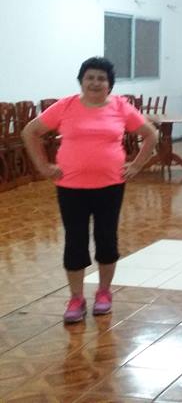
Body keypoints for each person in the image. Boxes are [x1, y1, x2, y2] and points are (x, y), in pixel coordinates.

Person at [21, 57, 158, 323]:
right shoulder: (66, 105)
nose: (95, 83)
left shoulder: (120, 106)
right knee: (75, 241)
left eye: (101, 78)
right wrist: (43, 166)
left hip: (110, 186)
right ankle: (76, 298)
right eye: (90, 77)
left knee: (106, 239)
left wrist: (137, 165)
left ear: (109, 84)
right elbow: (30, 132)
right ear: (81, 81)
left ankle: (104, 293)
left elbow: (151, 134)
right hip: (71, 187)